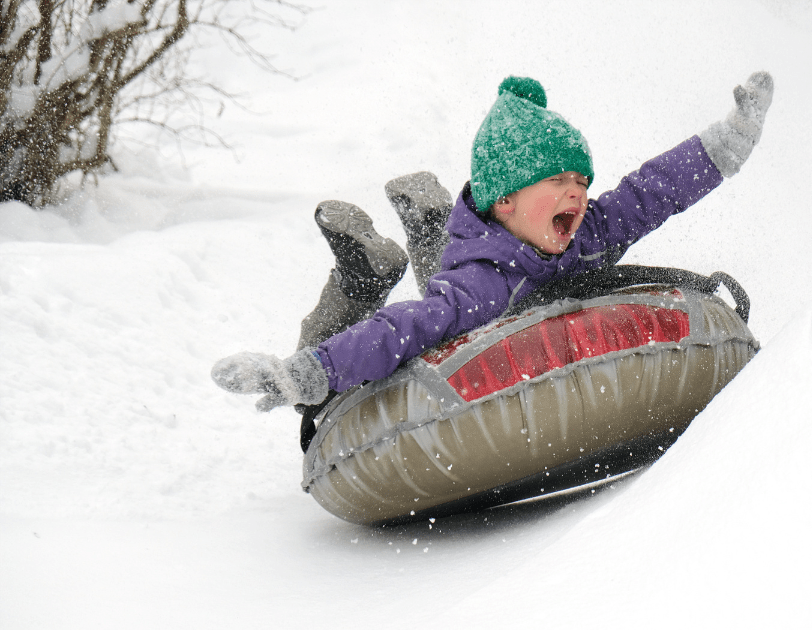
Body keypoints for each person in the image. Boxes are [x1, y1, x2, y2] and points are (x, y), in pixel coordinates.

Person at [212, 71, 774, 423]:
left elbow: (650, 191)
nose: (578, 193)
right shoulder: (480, 284)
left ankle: (427, 223)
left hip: (485, 256)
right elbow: (398, 329)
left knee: (449, 290)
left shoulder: (587, 237)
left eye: (582, 182)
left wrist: (725, 145)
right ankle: (363, 277)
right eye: (558, 181)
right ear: (505, 200)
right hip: (474, 276)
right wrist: (305, 372)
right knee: (324, 400)